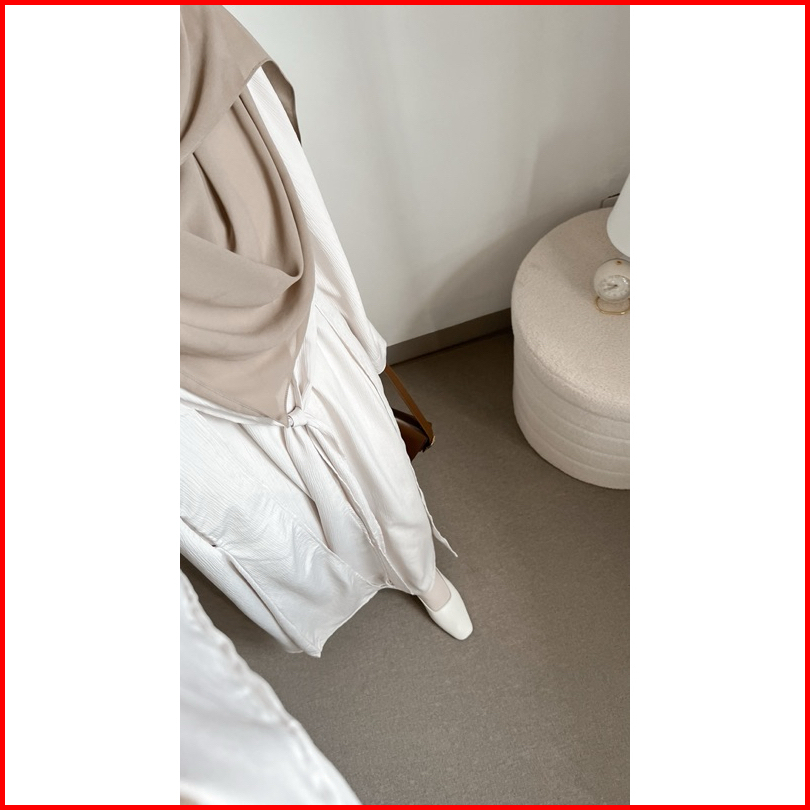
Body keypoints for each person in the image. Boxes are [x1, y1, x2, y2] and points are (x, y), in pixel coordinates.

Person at [180, 5, 472, 657]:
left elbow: (294, 193)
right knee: (239, 501)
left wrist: (347, 311)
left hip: (252, 276)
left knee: (358, 440)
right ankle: (325, 589)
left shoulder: (179, 31)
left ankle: (418, 569)